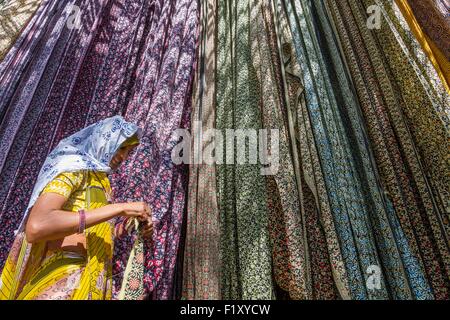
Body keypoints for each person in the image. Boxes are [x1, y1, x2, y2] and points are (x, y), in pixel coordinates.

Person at [0, 116, 152, 300]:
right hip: (62, 282)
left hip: (89, 282)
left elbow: (94, 234)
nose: (123, 157)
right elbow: (37, 226)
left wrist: (130, 226)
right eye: (121, 148)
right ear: (103, 140)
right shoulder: (73, 170)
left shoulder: (102, 183)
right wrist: (120, 208)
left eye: (129, 152)